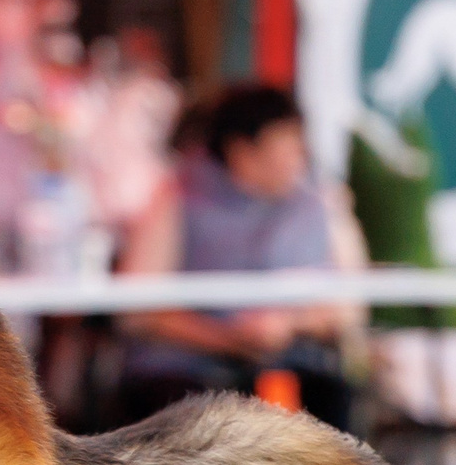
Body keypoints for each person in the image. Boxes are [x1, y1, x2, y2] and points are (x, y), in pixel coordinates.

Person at [116, 82, 360, 430]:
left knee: (332, 408)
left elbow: (349, 306)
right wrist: (227, 337)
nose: (298, 158)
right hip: (189, 368)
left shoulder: (319, 201)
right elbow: (137, 310)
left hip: (292, 365)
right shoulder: (177, 196)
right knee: (193, 423)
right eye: (285, 146)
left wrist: (289, 324)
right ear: (242, 151)